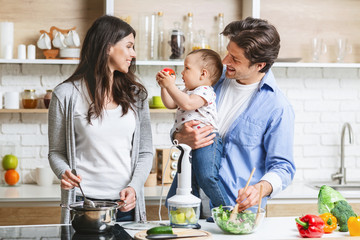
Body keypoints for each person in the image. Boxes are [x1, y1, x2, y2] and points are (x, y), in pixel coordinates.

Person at [172, 17, 296, 214]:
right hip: (188, 200)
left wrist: (260, 189)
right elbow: (183, 120)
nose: (225, 61)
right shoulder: (210, 80)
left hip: (235, 212)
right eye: (228, 52)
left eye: (235, 59)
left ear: (260, 65)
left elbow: (284, 167)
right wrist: (179, 137)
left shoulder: (277, 107)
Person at [48, 15, 153, 224]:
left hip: (125, 206)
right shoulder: (65, 95)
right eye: (129, 46)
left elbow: (145, 151)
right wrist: (64, 172)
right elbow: (56, 152)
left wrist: (134, 187)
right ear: (107, 47)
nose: (133, 53)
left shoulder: (136, 96)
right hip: (82, 205)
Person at [156, 49, 230, 207]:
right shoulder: (186, 92)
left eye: (187, 68)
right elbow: (170, 104)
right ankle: (186, 219)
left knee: (207, 176)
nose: (182, 73)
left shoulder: (205, 91)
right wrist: (165, 87)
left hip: (208, 142)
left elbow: (188, 103)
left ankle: (228, 211)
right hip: (189, 146)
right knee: (183, 186)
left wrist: (171, 86)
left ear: (203, 74)